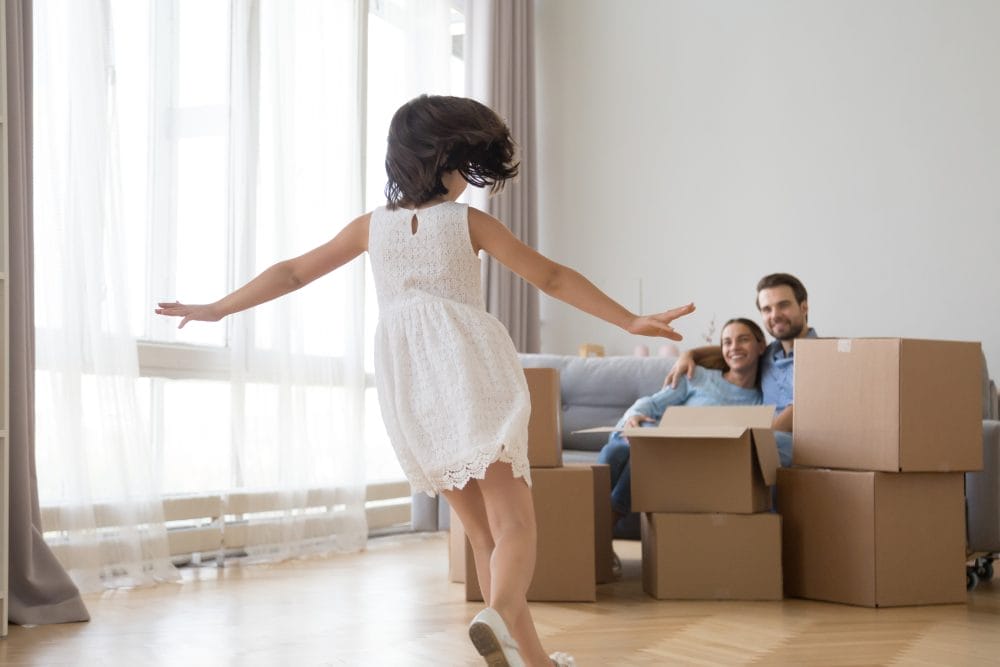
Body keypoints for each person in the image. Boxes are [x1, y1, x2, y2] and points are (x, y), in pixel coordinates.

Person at [156, 94, 695, 667]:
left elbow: (291, 274)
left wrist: (217, 308)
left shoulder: (370, 228)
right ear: (448, 159)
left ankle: (532, 659)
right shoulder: (467, 222)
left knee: (483, 537)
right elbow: (553, 278)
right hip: (468, 370)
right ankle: (496, 613)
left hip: (410, 387)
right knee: (515, 525)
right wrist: (628, 320)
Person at [598, 318, 768, 540]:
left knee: (633, 454)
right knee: (616, 451)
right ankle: (598, 537)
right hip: (648, 439)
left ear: (761, 346)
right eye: (727, 342)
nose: (734, 347)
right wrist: (634, 416)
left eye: (743, 340)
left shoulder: (760, 401)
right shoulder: (697, 376)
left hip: (688, 462)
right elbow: (652, 403)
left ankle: (596, 538)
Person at [664, 273, 817, 467]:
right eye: (767, 309)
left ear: (804, 307)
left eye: (783, 305)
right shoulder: (769, 353)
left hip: (797, 444)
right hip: (762, 443)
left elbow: (801, 408)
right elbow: (735, 351)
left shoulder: (825, 356)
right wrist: (689, 354)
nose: (775, 315)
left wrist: (757, 438)